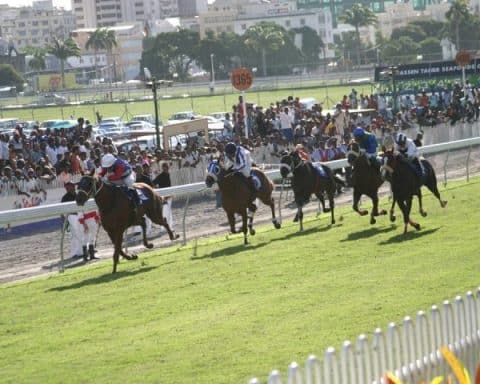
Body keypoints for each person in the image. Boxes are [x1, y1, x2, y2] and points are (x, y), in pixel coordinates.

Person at [61, 182, 86, 261]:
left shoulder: (78, 194)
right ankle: (75, 253)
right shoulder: (65, 197)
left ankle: (82, 251)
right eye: (71, 186)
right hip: (72, 216)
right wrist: (65, 221)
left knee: (81, 232)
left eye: (73, 186)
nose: (73, 187)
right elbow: (62, 210)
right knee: (75, 234)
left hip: (80, 214)